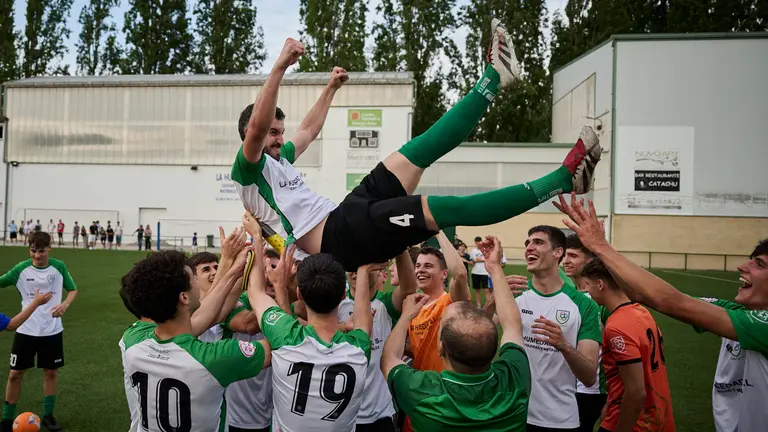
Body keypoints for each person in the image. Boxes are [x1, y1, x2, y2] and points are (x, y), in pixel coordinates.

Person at [232, 19, 602, 273]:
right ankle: (562, 180)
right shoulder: (247, 169)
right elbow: (257, 130)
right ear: (252, 134)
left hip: (347, 214)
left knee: (419, 150)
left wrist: (330, 90)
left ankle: (493, 78)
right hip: (339, 240)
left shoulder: (280, 160)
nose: (280, 137)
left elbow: (309, 130)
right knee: (445, 208)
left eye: (281, 131)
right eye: (273, 133)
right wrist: (279, 67)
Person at [555, 193, 765, 431]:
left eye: (760, 264)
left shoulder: (763, 325)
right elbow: (655, 296)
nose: (742, 266)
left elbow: (666, 301)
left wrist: (601, 247)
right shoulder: (734, 312)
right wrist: (603, 251)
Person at [382, 235, 531, 430]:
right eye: (417, 265)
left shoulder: (450, 303)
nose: (420, 270)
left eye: (428, 266)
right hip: (425, 401)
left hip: (431, 397)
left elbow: (460, 274)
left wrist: (439, 231)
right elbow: (512, 327)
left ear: (444, 274)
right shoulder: (513, 385)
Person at [241, 212, 372, 432]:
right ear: (343, 296)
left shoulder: (285, 335)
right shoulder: (359, 348)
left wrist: (257, 238)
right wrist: (363, 268)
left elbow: (254, 291)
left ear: (299, 294)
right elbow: (363, 320)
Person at [120, 245, 270, 432]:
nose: (198, 283)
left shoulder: (132, 340)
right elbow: (283, 344)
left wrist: (234, 273)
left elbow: (201, 318)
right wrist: (273, 287)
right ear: (184, 297)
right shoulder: (215, 358)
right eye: (193, 279)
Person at [513, 225, 601, 431]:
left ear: (557, 252)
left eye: (538, 242)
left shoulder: (583, 305)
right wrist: (492, 302)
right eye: (527, 243)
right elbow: (477, 337)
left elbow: (589, 377)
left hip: (560, 420)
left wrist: (563, 345)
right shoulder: (517, 295)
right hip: (515, 414)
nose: (529, 247)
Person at [579, 258, 675, 431]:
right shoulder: (641, 312)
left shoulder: (617, 325)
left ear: (600, 284)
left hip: (633, 422)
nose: (586, 290)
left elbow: (636, 392)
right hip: (658, 414)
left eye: (588, 284)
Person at [0, 232, 78, 432]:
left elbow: (73, 289)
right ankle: (7, 420)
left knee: (50, 372)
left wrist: (65, 305)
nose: (37, 256)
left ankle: (48, 416)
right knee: (15, 374)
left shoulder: (58, 267)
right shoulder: (21, 270)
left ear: (49, 249)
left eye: (41, 251)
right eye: (33, 251)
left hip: (52, 330)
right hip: (25, 329)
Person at [337, 250, 417, 431]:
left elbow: (409, 288)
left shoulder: (385, 303)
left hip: (381, 412)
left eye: (365, 267)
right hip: (344, 414)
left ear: (381, 271)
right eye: (352, 267)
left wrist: (400, 247)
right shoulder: (336, 305)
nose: (357, 272)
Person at [562, 234, 607, 432]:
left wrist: (613, 398)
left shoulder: (601, 300)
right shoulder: (566, 295)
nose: (565, 261)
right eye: (565, 255)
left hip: (590, 390)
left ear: (589, 261)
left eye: (572, 256)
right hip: (564, 385)